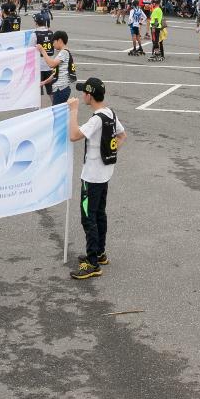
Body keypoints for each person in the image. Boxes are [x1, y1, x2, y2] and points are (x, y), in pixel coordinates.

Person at [67, 77, 128, 280]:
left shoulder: (96, 120)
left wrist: (73, 110)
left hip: (91, 177)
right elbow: (122, 135)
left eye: (84, 92)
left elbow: (74, 135)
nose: (82, 95)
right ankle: (99, 252)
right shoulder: (110, 113)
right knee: (99, 213)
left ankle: (92, 263)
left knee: (88, 217)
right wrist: (110, 152)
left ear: (89, 95)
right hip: (104, 174)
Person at [38, 30, 75, 104]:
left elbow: (51, 64)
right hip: (61, 89)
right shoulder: (63, 53)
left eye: (53, 42)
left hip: (61, 89)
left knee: (56, 112)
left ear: (60, 40)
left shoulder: (64, 52)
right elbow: (55, 73)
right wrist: (44, 82)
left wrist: (42, 51)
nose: (53, 45)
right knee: (57, 111)